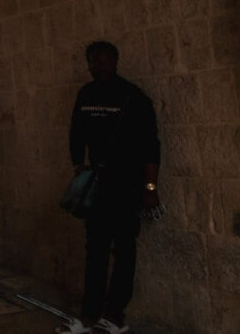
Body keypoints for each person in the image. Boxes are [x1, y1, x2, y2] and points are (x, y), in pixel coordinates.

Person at [61, 41, 161, 334]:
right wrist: (79, 167)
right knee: (95, 250)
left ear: (116, 62)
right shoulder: (86, 94)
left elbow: (151, 149)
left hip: (128, 186)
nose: (100, 66)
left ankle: (115, 316)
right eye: (95, 61)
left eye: (105, 61)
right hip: (98, 187)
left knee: (125, 250)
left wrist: (150, 188)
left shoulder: (134, 97)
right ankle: (89, 314)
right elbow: (76, 133)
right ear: (88, 63)